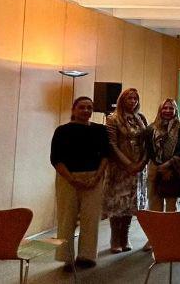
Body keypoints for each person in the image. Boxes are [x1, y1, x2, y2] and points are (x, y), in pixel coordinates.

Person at [51, 97, 109, 271]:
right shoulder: (62, 131)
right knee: (66, 219)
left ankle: (87, 256)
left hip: (94, 179)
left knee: (91, 219)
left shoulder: (100, 130)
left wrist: (97, 177)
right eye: (82, 107)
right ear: (74, 109)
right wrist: (71, 179)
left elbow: (106, 156)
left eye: (89, 107)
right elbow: (56, 158)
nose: (86, 110)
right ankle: (65, 257)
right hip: (68, 179)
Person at [141, 99, 180, 250]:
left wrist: (167, 165)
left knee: (171, 206)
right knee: (154, 206)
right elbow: (149, 150)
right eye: (165, 108)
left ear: (175, 111)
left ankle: (170, 238)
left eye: (171, 108)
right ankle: (155, 238)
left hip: (173, 168)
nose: (168, 111)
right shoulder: (150, 129)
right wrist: (158, 164)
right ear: (160, 110)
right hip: (155, 168)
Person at [103, 88, 148, 253]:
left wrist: (142, 162)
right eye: (130, 98)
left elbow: (147, 142)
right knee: (118, 204)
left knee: (130, 204)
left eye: (135, 98)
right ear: (122, 99)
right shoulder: (113, 118)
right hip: (120, 168)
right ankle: (115, 238)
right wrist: (128, 164)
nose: (133, 101)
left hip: (138, 169)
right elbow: (112, 144)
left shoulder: (140, 118)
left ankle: (125, 236)